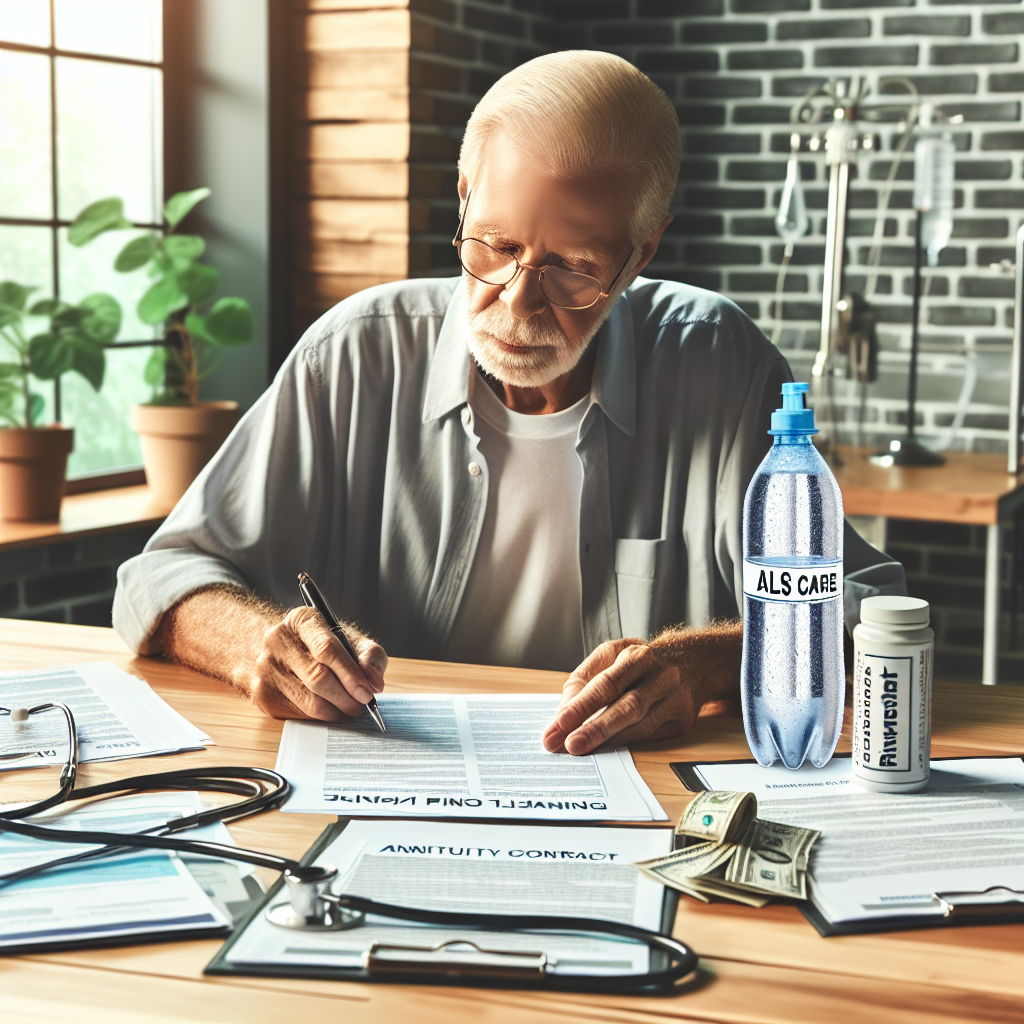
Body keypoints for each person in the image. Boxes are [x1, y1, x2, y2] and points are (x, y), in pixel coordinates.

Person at [113, 51, 904, 756]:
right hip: (392, 777)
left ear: (641, 252)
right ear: (463, 197)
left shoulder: (720, 364)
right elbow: (160, 577)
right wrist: (259, 643)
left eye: (573, 267)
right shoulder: (354, 353)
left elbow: (872, 610)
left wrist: (702, 660)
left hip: (639, 804)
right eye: (494, 245)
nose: (518, 302)